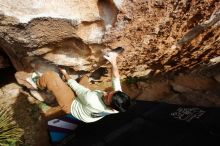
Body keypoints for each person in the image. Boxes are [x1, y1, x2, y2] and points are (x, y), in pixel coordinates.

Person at [27, 49, 131, 123]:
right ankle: (70, 85)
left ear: (110, 105)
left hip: (72, 105)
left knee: (51, 76)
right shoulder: (118, 104)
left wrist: (64, 73)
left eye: (107, 96)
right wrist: (113, 62)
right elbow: (116, 78)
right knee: (85, 77)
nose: (107, 93)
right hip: (87, 109)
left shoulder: (92, 99)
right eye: (111, 92)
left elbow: (75, 86)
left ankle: (38, 83)